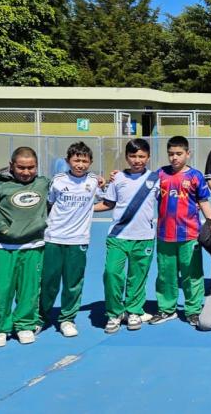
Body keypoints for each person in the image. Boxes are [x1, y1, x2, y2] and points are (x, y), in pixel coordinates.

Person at [0, 146, 50, 347]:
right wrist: (3, 228)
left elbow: (68, 186)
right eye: (21, 167)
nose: (26, 172)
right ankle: (0, 328)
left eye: (31, 168)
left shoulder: (44, 184)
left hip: (34, 247)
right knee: (1, 289)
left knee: (29, 290)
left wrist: (98, 180)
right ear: (11, 166)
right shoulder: (0, 187)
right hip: (5, 248)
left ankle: (25, 325)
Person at [38, 142, 103, 338]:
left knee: (73, 282)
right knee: (48, 281)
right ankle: (40, 317)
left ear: (90, 162)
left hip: (79, 240)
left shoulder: (93, 182)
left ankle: (67, 318)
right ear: (68, 161)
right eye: (76, 160)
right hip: (54, 237)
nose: (80, 164)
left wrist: (88, 208)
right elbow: (49, 204)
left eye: (84, 161)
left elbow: (107, 201)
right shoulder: (57, 181)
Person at [94, 138, 159, 334]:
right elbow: (108, 204)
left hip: (145, 237)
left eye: (141, 156)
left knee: (137, 277)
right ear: (126, 157)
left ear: (148, 157)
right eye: (133, 156)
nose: (137, 160)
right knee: (112, 274)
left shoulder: (157, 179)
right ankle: (114, 313)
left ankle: (133, 311)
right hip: (118, 236)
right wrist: (82, 209)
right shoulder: (118, 179)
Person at [151, 136, 211, 326]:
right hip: (164, 235)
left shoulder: (195, 176)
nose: (174, 158)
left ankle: (193, 310)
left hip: (190, 235)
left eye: (179, 154)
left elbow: (203, 201)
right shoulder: (159, 174)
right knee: (165, 274)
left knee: (192, 274)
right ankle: (166, 309)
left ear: (188, 154)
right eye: (171, 154)